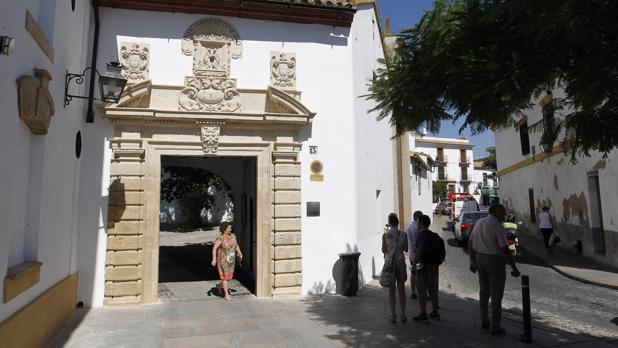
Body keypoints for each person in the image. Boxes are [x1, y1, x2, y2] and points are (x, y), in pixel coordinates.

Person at [468, 204, 521, 335]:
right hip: (494, 260)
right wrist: (514, 267)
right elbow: (505, 248)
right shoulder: (497, 226)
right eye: (502, 212)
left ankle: (484, 319)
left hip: (480, 258)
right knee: (496, 294)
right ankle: (495, 326)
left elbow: (470, 242)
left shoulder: (479, 222)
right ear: (495, 213)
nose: (504, 215)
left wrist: (472, 260)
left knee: (484, 291)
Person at [382, 213, 408, 323]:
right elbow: (406, 249)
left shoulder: (385, 235)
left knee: (391, 291)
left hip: (390, 264)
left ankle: (393, 316)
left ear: (389, 223)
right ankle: (403, 314)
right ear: (397, 222)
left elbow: (383, 250)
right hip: (400, 261)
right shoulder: (403, 234)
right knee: (401, 289)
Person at [413, 214, 440, 322]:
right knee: (433, 289)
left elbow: (419, 251)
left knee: (421, 290)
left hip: (422, 266)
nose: (417, 224)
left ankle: (423, 313)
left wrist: (415, 265)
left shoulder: (421, 235)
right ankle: (435, 311)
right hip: (433, 265)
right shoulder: (432, 234)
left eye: (418, 222)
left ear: (422, 224)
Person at [211, 221, 243, 301]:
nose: (230, 229)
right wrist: (214, 259)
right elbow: (214, 249)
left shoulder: (233, 236)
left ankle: (219, 286)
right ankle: (226, 295)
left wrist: (240, 253)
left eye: (231, 228)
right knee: (225, 277)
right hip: (222, 260)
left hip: (231, 259)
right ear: (224, 229)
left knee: (228, 277)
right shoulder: (220, 238)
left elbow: (236, 245)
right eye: (229, 228)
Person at [405, 211, 423, 299]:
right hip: (419, 254)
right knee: (420, 274)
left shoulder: (408, 227)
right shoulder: (418, 228)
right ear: (418, 218)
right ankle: (421, 292)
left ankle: (413, 292)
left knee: (413, 272)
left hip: (412, 253)